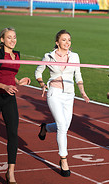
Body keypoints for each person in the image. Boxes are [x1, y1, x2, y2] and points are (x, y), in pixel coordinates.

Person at [35, 29, 89, 177]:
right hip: (54, 93)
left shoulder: (75, 56)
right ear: (57, 42)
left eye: (69, 40)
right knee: (62, 127)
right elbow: (38, 72)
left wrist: (82, 91)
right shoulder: (49, 56)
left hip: (69, 94)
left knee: (65, 125)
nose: (67, 43)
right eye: (64, 40)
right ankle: (64, 159)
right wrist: (42, 84)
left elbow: (78, 75)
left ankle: (45, 128)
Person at [0, 27, 31, 184]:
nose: (13, 40)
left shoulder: (17, 55)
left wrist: (18, 81)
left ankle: (10, 172)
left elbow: (11, 75)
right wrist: (4, 87)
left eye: (14, 37)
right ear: (2, 40)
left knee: (13, 134)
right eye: (9, 37)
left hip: (9, 98)